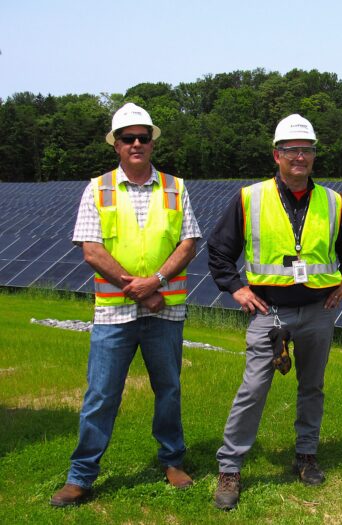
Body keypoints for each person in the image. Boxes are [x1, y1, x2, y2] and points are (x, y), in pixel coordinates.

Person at [207, 114, 342, 510]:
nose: (300, 157)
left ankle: (306, 456)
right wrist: (238, 289)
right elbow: (219, 251)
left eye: (306, 150)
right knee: (254, 389)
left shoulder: (333, 201)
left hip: (317, 311)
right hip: (269, 312)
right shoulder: (249, 197)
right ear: (276, 155)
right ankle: (230, 468)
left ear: (313, 155)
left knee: (312, 387)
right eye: (292, 150)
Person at [50, 103, 201, 507]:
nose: (136, 144)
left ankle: (172, 460)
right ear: (115, 145)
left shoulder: (176, 187)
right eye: (127, 138)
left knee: (168, 390)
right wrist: (135, 287)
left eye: (143, 137)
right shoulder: (97, 188)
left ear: (152, 143)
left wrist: (157, 282)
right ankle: (80, 476)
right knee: (100, 394)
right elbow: (91, 250)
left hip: (165, 311)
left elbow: (188, 243)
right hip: (113, 313)